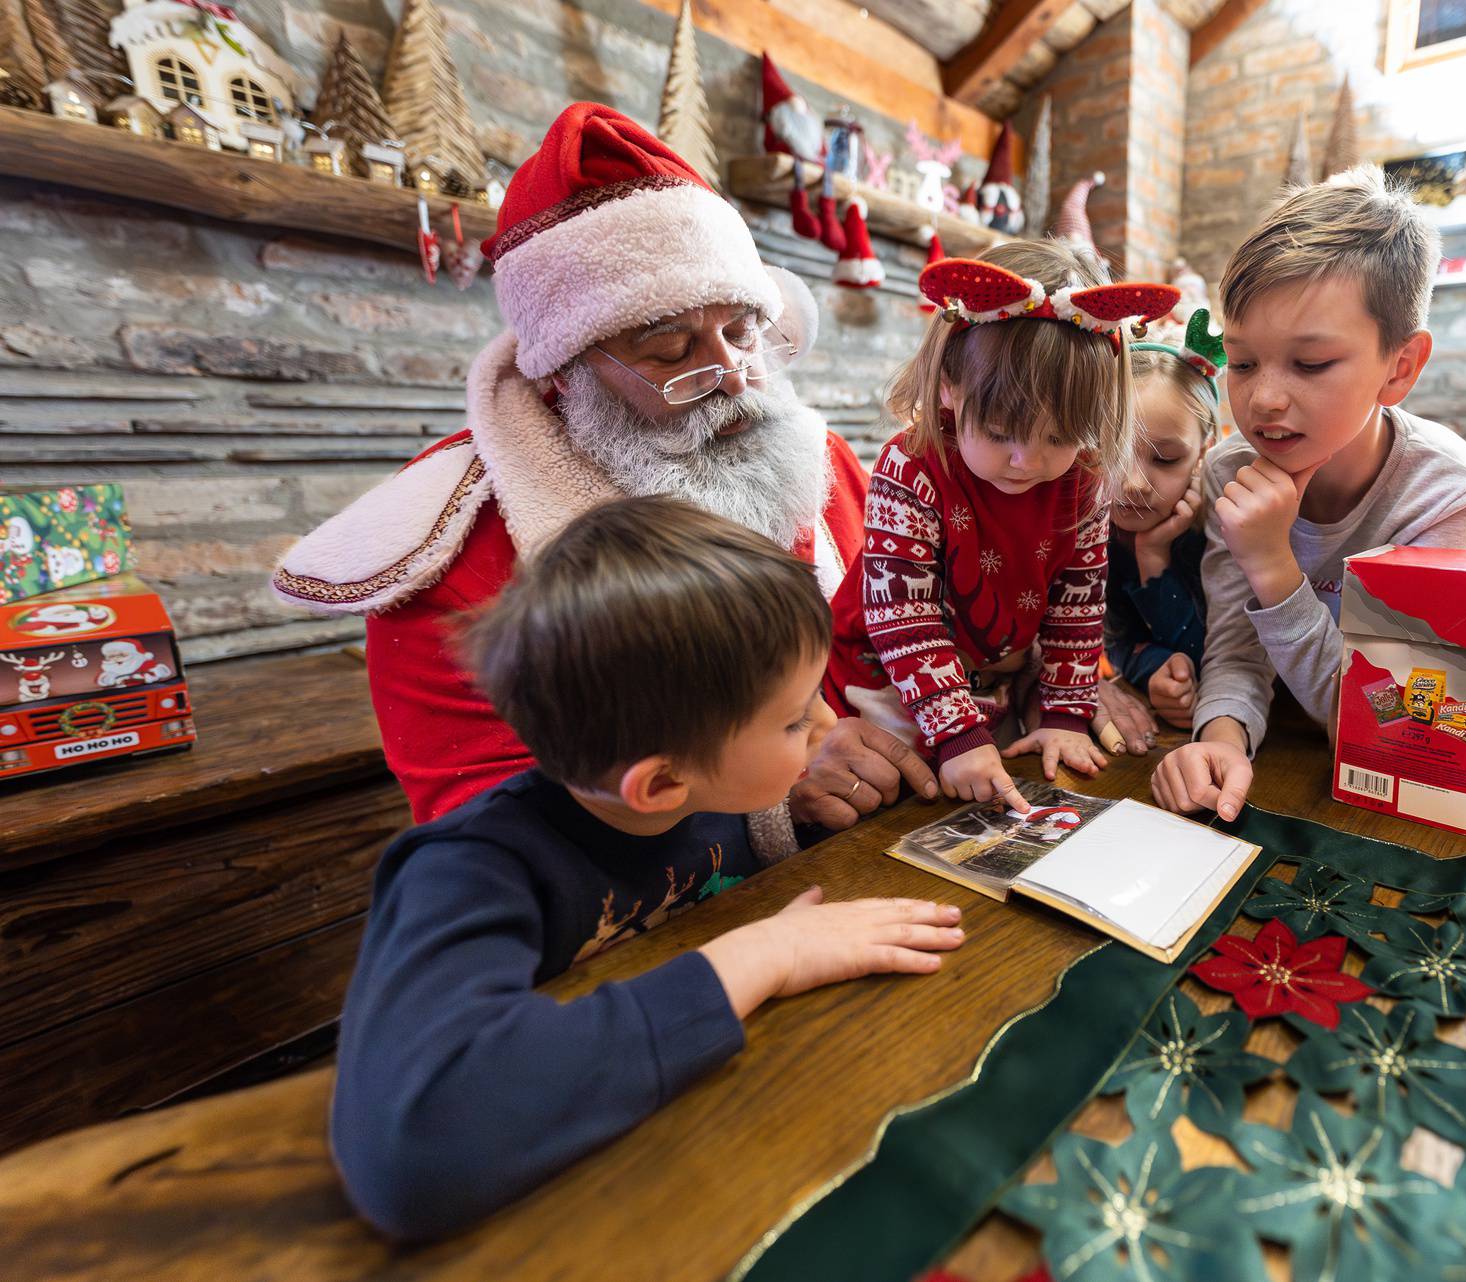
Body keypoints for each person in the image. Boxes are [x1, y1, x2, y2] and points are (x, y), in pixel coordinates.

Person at [271, 102, 933, 846]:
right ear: (566, 371)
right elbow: (495, 836)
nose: (736, 380)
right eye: (670, 349)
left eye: (743, 329)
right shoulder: (452, 557)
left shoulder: (821, 460)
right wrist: (770, 782)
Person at [329, 496, 966, 1242]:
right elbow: (412, 1153)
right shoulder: (467, 873)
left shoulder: (711, 790)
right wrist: (767, 952)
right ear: (661, 784)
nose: (827, 727)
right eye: (796, 720)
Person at [1153, 166, 1466, 823]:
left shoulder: (1444, 493)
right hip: (1281, 758)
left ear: (1400, 368)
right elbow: (1233, 653)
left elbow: (1390, 723)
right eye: (1243, 362)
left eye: (1310, 364)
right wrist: (1219, 739)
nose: (1263, 399)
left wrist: (1275, 567)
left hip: (1378, 791)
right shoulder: (1232, 471)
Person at [824, 241, 1180, 809]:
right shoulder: (911, 466)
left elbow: (1078, 608)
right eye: (998, 432)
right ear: (948, 385)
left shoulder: (1084, 481)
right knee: (895, 805)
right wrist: (957, 733)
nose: (1028, 461)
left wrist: (1065, 715)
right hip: (884, 681)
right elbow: (904, 621)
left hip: (986, 683)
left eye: (1060, 437)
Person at [1105, 309, 1225, 731]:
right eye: (1112, 453)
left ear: (1205, 451)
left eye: (1167, 459)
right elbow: (1113, 640)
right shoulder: (1090, 530)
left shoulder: (1222, 530)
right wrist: (1152, 665)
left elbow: (1216, 661)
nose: (1134, 483)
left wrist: (1153, 555)